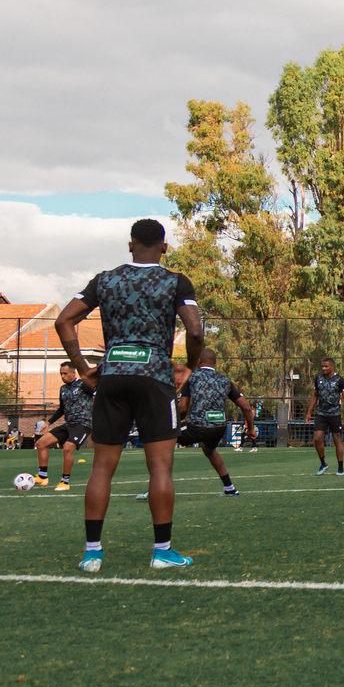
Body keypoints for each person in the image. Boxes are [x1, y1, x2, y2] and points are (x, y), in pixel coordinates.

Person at [54, 218, 205, 572]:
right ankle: (162, 551)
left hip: (113, 377)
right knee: (160, 466)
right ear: (164, 247)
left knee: (102, 467)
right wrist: (190, 367)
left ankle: (92, 553)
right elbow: (195, 328)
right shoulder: (175, 281)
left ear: (130, 244)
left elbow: (64, 321)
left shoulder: (105, 280)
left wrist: (82, 366)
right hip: (154, 378)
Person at [176, 353, 256, 496]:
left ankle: (155, 487)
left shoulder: (192, 378)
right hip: (219, 428)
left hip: (196, 427)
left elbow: (182, 408)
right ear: (215, 363)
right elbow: (246, 408)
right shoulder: (225, 380)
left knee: (164, 440)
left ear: (199, 361)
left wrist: (178, 423)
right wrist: (250, 429)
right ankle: (229, 488)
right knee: (209, 449)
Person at [34, 361, 96, 490]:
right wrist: (49, 423)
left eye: (65, 373)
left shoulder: (83, 385)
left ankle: (64, 482)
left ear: (73, 373)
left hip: (83, 424)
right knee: (41, 443)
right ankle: (42, 477)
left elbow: (98, 396)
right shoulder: (63, 389)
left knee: (67, 448)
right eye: (61, 374)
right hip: (68, 424)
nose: (62, 376)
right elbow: (62, 409)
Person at [309, 358, 344, 476]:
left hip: (335, 415)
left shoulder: (340, 380)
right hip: (321, 414)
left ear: (332, 366)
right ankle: (323, 463)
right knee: (317, 438)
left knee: (337, 440)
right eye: (322, 366)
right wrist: (309, 412)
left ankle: (340, 467)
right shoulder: (318, 379)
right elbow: (315, 396)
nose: (323, 368)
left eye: (326, 366)